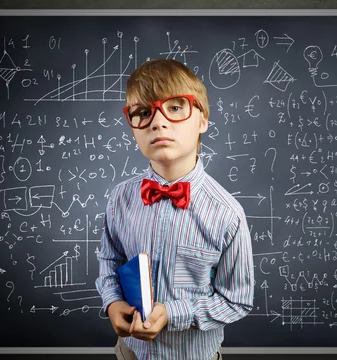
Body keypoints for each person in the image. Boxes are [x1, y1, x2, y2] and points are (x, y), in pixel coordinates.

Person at [95, 58, 255, 360]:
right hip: (129, 352)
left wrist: (173, 313)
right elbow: (109, 259)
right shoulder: (120, 199)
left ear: (203, 121)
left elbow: (238, 301)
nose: (158, 121)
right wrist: (112, 301)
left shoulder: (227, 214)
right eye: (143, 113)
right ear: (133, 129)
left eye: (176, 107)